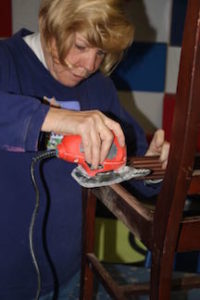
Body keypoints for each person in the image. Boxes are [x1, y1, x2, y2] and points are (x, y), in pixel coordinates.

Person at [0, 0, 169, 299]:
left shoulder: (99, 89)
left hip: (71, 275)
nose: (90, 65)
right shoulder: (7, 60)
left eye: (100, 53)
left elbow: (131, 169)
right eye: (81, 46)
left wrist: (153, 168)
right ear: (51, 27)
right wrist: (59, 118)